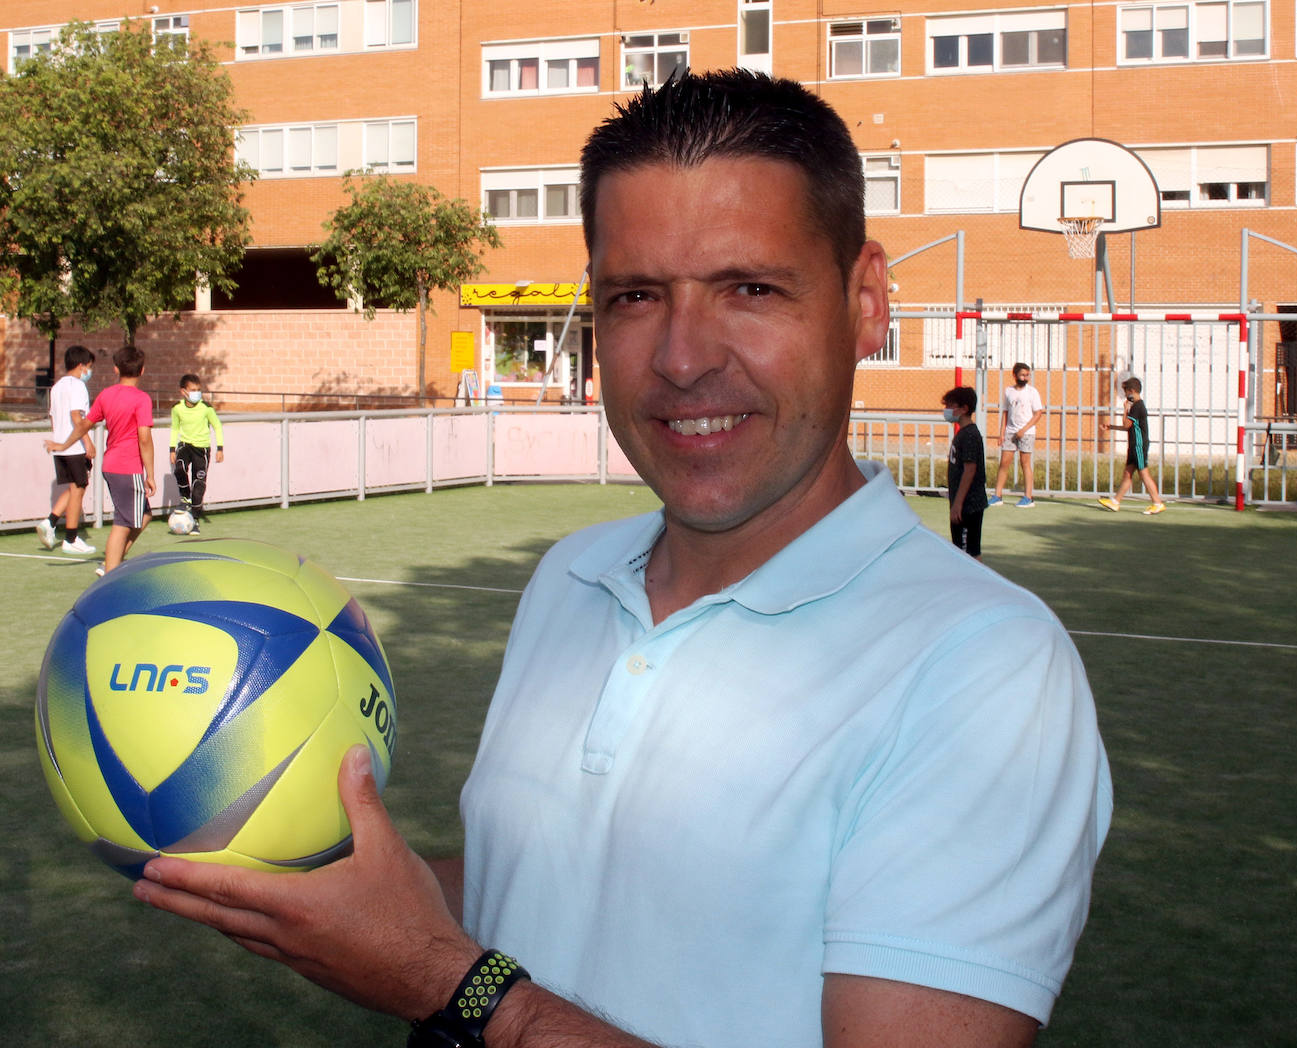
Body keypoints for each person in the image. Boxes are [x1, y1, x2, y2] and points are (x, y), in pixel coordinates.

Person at [133, 72, 1111, 1048]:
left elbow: (466, 976)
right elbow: (556, 885)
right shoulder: (569, 576)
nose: (684, 357)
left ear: (865, 303)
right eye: (637, 295)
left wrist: (454, 986)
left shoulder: (986, 669)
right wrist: (344, 893)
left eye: (751, 288)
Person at [45, 344, 156, 576]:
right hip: (129, 467)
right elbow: (144, 438)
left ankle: (111, 563)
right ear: (142, 370)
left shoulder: (106, 394)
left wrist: (63, 445)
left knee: (144, 515)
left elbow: (85, 424)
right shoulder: (142, 399)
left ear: (116, 369)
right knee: (123, 523)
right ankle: (110, 571)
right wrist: (151, 474)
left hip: (111, 466)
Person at [37, 344, 98, 556]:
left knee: (73, 488)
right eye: (89, 367)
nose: (89, 372)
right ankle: (71, 539)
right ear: (82, 366)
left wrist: (59, 441)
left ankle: (50, 522)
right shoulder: (78, 386)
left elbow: (54, 417)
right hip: (74, 448)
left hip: (61, 446)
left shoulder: (57, 387)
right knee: (79, 489)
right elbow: (77, 418)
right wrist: (88, 442)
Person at [1097, 376, 1166, 515]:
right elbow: (1129, 427)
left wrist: (1125, 409)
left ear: (1132, 391)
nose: (1126, 396)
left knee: (1143, 473)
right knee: (1127, 473)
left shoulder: (1138, 406)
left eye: (1126, 392)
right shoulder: (1136, 406)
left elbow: (1126, 423)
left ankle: (1157, 503)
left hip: (1139, 445)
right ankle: (1115, 502)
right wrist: (1111, 427)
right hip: (1134, 445)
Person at [169, 372, 225, 535]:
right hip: (185, 446)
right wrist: (172, 449)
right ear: (183, 391)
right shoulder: (177, 408)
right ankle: (184, 497)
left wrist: (220, 448)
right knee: (179, 469)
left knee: (198, 484)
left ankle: (195, 519)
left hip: (202, 449)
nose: (196, 393)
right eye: (193, 390)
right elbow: (174, 428)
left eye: (198, 390)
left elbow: (218, 426)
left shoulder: (206, 408)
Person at [988, 362, 1044, 508]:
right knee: (1004, 462)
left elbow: (1038, 414)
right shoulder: (1008, 391)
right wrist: (1002, 434)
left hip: (1027, 433)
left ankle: (1028, 497)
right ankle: (997, 495)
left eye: (1027, 375)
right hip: (1010, 432)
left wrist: (1023, 430)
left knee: (1025, 463)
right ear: (1015, 375)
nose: (1025, 378)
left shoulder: (1032, 392)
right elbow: (1005, 413)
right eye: (1023, 375)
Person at [943, 385, 987, 560]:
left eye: (951, 406)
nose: (947, 410)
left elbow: (970, 470)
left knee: (968, 552)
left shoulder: (969, 435)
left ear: (964, 409)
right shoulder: (963, 433)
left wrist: (958, 503)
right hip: (964, 503)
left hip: (969, 504)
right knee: (963, 550)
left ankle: (975, 585)